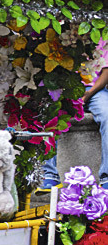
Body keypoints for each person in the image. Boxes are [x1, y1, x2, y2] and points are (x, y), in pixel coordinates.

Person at [41, 43, 108, 189]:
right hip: (62, 88)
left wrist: (87, 95)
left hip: (95, 90)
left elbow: (106, 73)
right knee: (47, 111)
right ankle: (49, 175)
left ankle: (106, 179)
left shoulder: (101, 37)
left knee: (107, 112)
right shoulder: (61, 37)